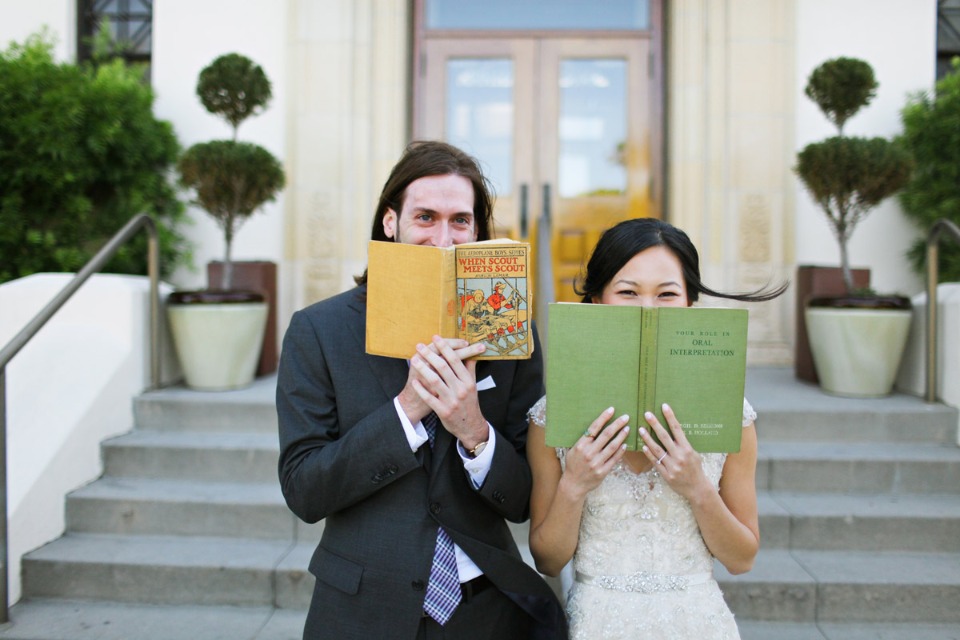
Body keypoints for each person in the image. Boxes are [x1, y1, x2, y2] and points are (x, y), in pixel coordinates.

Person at [277, 140, 567, 640]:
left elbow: (524, 499)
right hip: (362, 608)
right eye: (426, 217)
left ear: (477, 230)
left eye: (460, 220)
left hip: (486, 609)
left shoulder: (509, 332)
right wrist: (408, 409)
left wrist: (474, 430)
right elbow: (305, 491)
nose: (443, 238)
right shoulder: (319, 331)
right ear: (391, 222)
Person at [526, 218, 787, 640]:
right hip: (597, 624)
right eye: (628, 292)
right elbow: (549, 561)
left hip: (698, 623)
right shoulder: (550, 418)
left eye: (667, 294)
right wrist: (575, 483)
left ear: (689, 304)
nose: (648, 309)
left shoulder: (732, 416)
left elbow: (742, 559)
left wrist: (696, 486)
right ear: (596, 300)